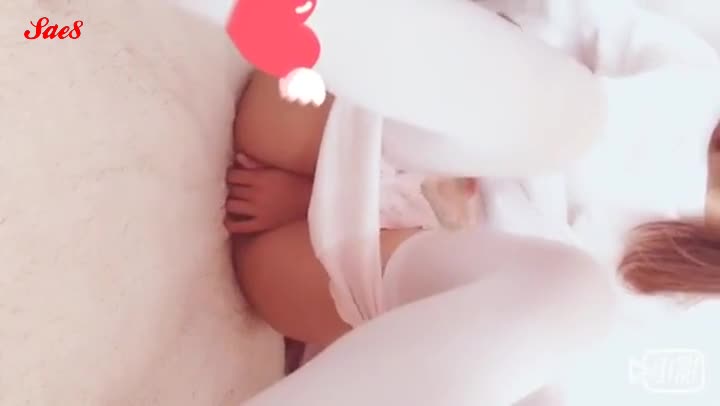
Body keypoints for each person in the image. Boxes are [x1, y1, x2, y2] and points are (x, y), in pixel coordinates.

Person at [227, 1, 720, 405]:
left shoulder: (688, 319)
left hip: (374, 263)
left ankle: (334, 202)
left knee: (572, 303)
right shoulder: (696, 87)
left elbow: (541, 370)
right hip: (388, 121)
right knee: (572, 117)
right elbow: (562, 24)